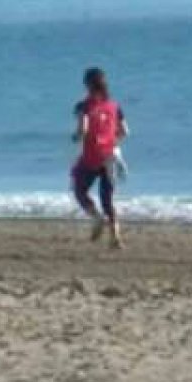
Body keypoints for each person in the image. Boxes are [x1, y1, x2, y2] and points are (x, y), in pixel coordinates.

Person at [71, 67, 129, 249]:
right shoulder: (114, 106)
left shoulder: (84, 107)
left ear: (87, 85)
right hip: (110, 155)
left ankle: (96, 218)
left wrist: (76, 137)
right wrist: (111, 141)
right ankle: (115, 237)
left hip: (92, 157)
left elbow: (83, 130)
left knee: (79, 189)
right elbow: (125, 131)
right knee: (108, 198)